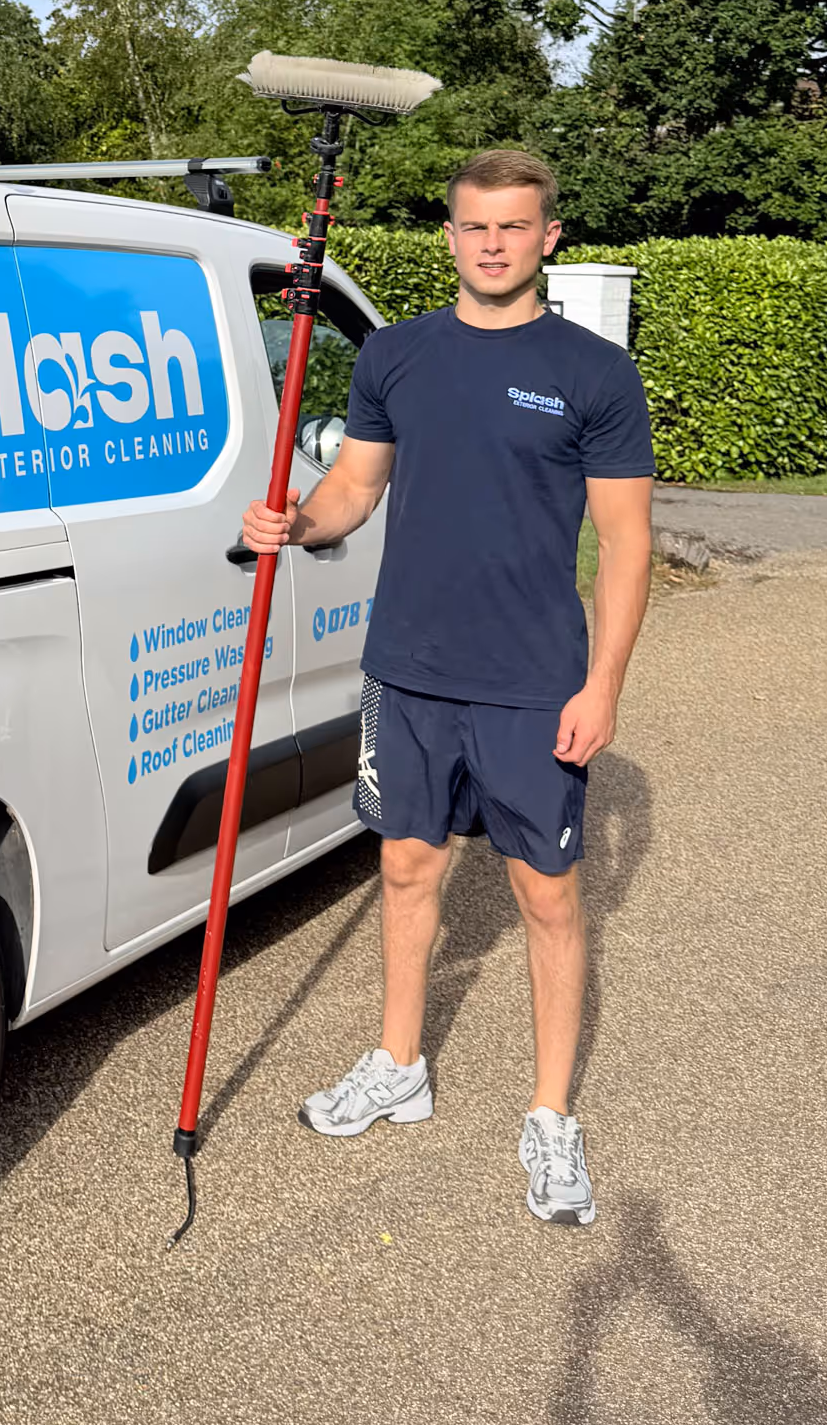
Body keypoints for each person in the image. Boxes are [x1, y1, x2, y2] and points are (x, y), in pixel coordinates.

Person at [241, 149, 653, 1225]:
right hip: (409, 671)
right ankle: (399, 1065)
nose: (492, 244)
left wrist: (601, 685)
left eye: (513, 227)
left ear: (547, 237)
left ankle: (551, 1116)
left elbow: (624, 543)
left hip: (531, 682)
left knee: (545, 896)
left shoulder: (594, 374)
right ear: (450, 236)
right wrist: (297, 521)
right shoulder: (395, 354)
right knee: (405, 867)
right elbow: (353, 487)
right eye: (475, 226)